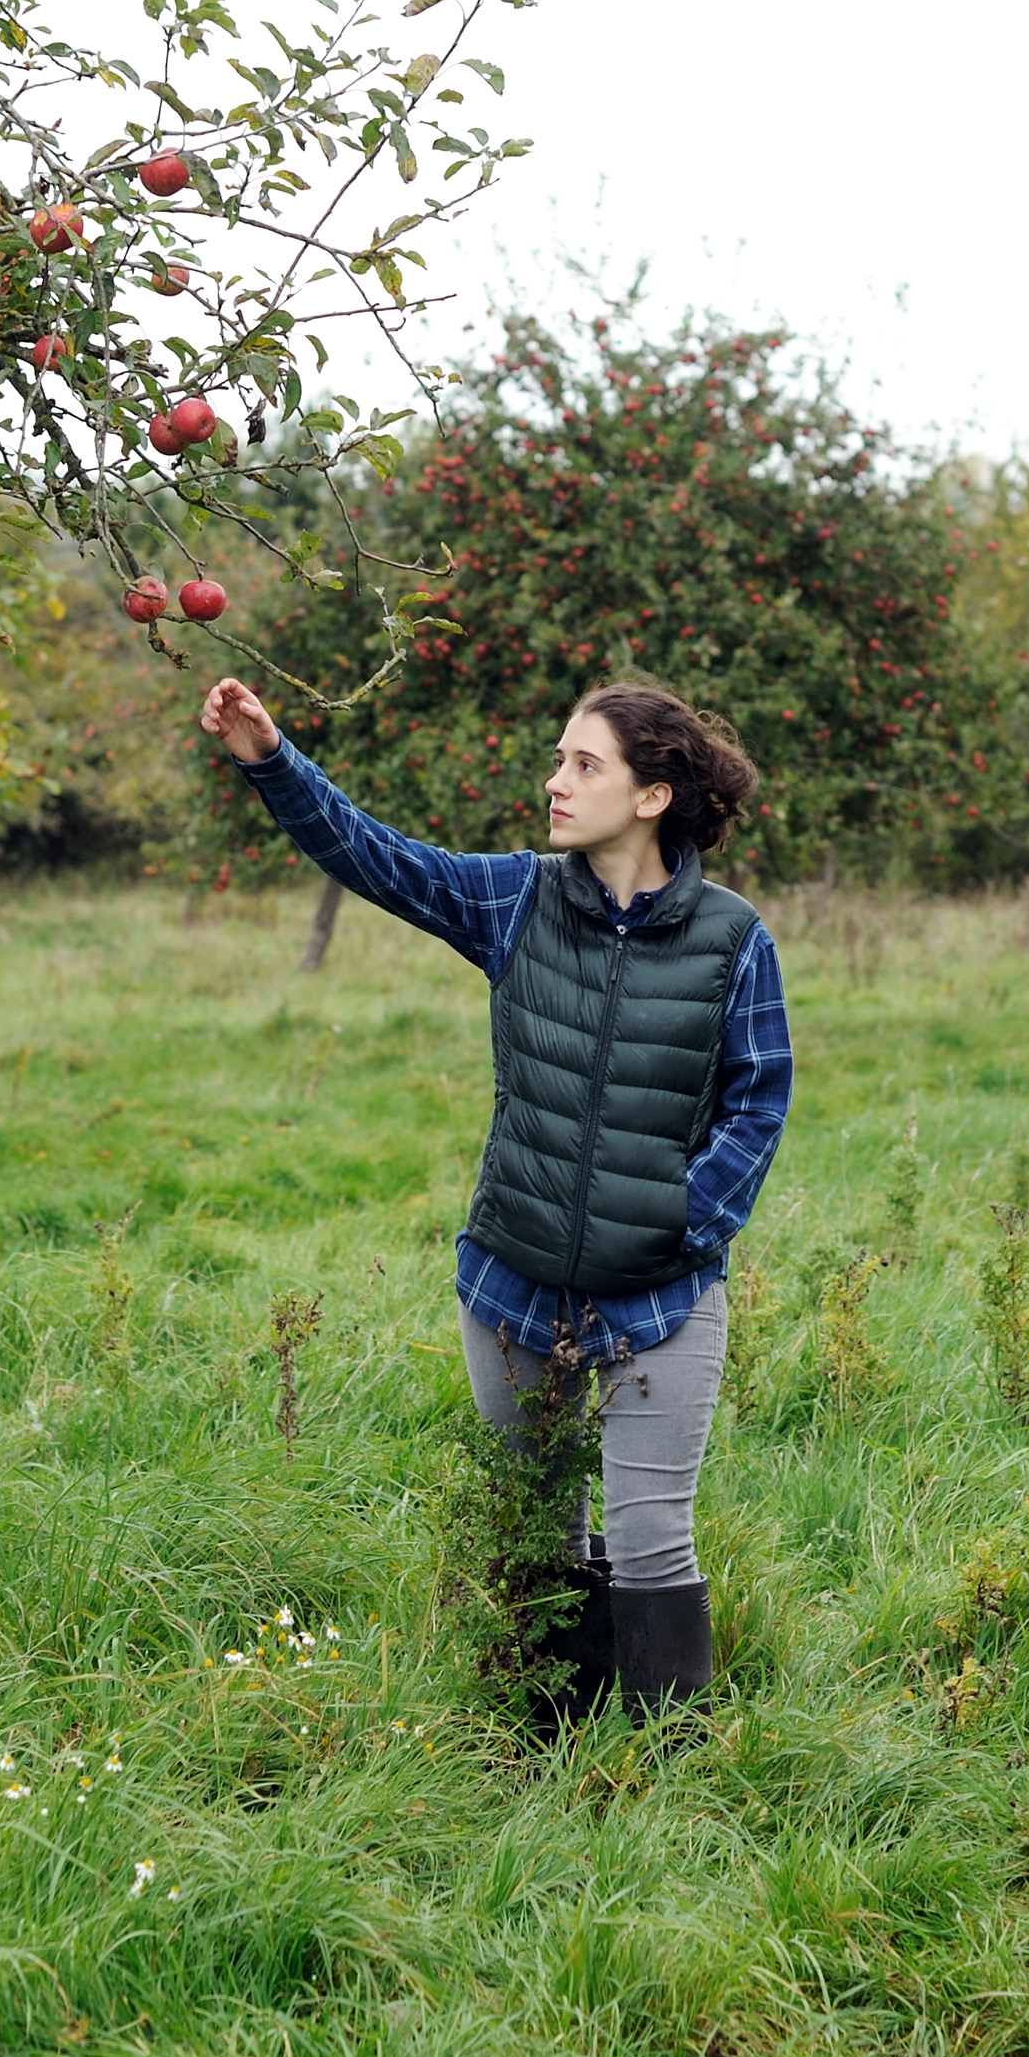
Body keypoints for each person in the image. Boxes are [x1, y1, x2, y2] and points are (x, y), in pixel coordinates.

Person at [197, 674, 791, 1717]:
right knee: (536, 1527)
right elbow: (373, 856)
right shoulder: (515, 896)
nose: (555, 782)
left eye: (584, 764)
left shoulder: (732, 939)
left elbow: (759, 1100)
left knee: (652, 1534)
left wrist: (680, 1221)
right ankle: (542, 1744)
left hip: (662, 1297)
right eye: (560, 759)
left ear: (651, 796)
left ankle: (661, 1774)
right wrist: (270, 759)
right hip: (513, 1288)